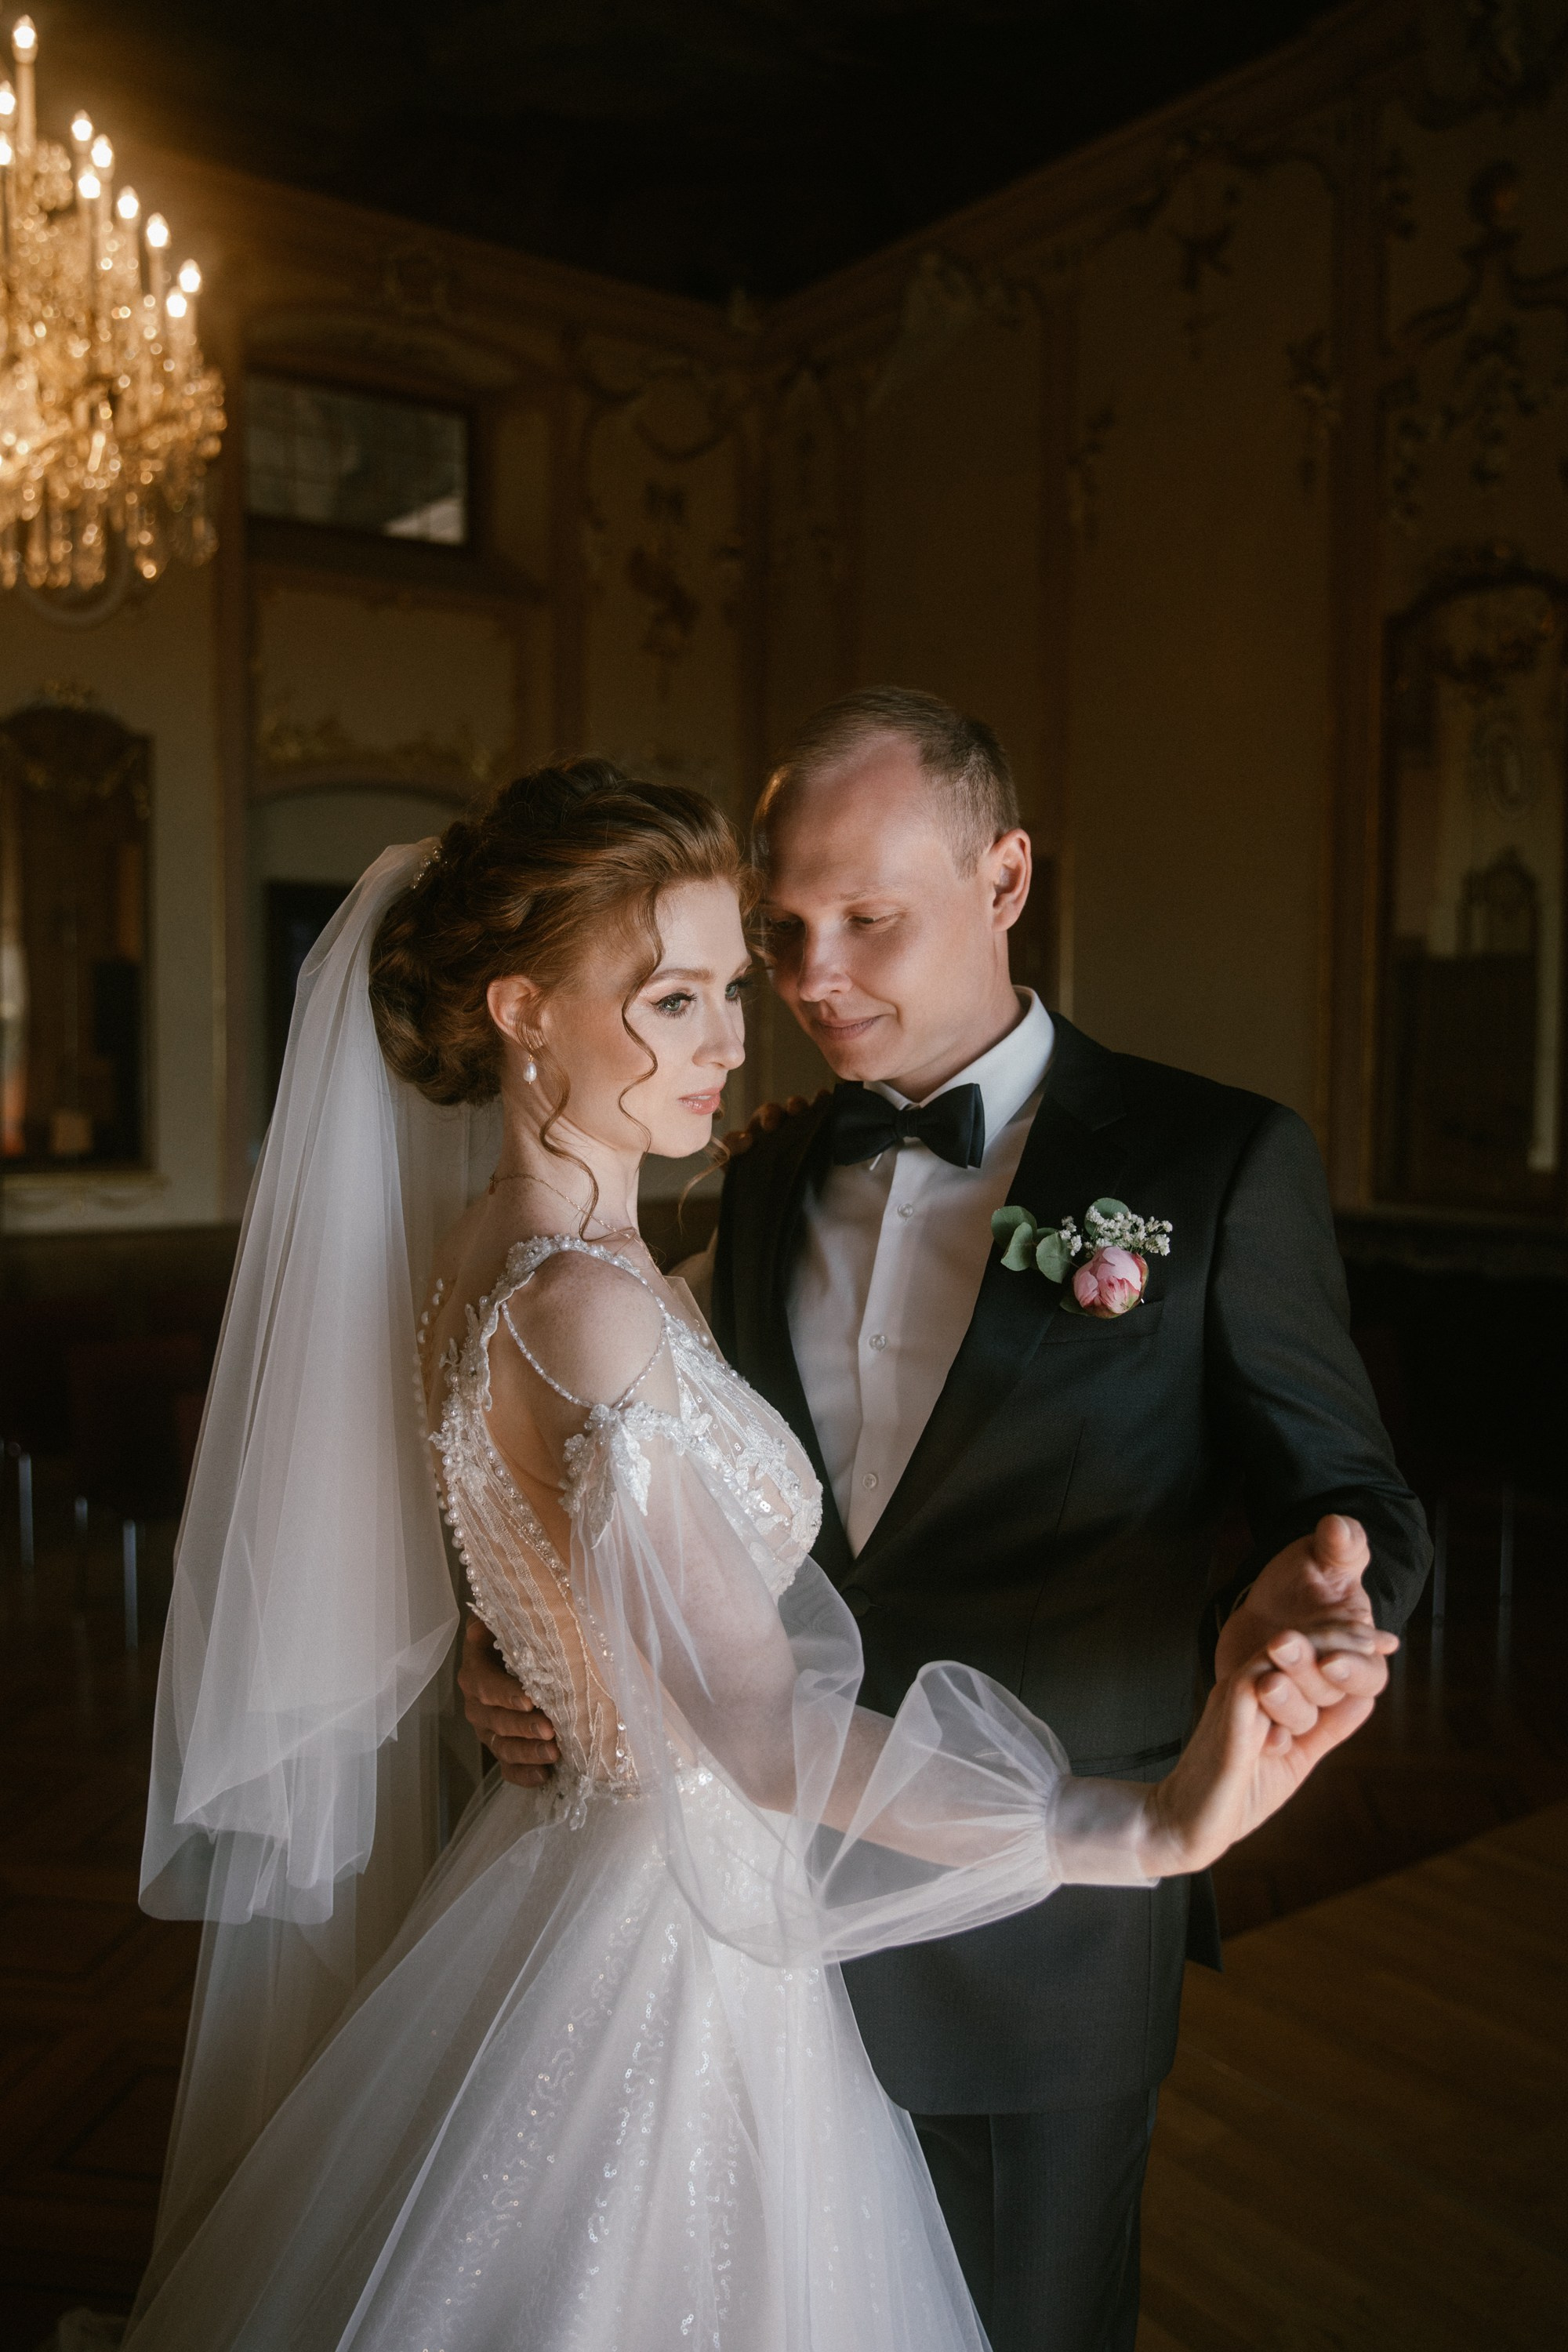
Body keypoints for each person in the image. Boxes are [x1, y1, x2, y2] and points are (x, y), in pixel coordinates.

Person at [125, 760, 1390, 2350]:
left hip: (704, 1895)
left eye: (733, 986)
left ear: (1002, 880)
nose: (737, 1035)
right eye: (675, 997)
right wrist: (1140, 1830)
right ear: (523, 1012)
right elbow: (753, 1716)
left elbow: (541, 1518)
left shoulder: (540, 1256)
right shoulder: (594, 1292)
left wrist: (534, 1641)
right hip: (687, 1928)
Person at [460, 706, 1429, 2352]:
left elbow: (1347, 1496)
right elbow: (619, 1480)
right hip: (734, 1919)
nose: (810, 974)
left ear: (1005, 877)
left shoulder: (1210, 1160)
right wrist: (524, 1646)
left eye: (867, 919)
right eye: (780, 931)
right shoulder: (759, 1171)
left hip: (1038, 1916)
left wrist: (1313, 1609)